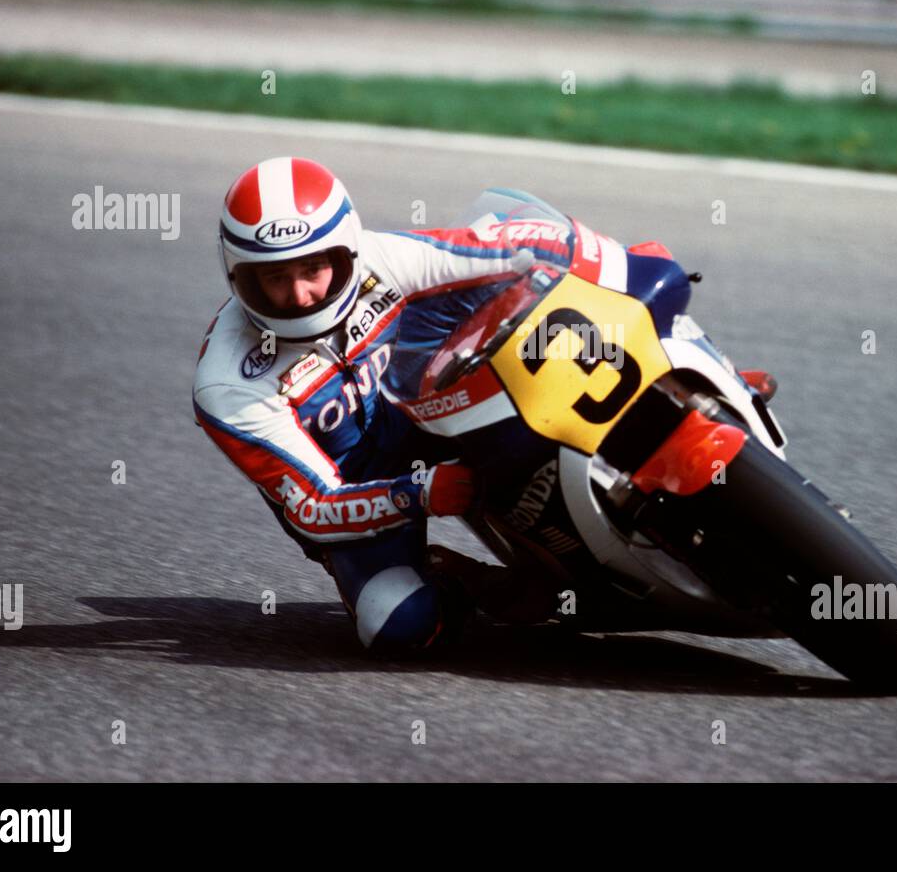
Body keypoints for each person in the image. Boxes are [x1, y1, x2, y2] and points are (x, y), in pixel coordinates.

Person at [193, 157, 615, 656]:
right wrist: (418, 494)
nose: (302, 294)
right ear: (239, 275)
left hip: (434, 412)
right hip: (358, 492)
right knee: (399, 624)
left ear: (346, 250)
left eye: (313, 268)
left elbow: (503, 252)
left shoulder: (380, 258)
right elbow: (312, 508)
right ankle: (472, 581)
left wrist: (617, 261)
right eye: (276, 277)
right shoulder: (227, 382)